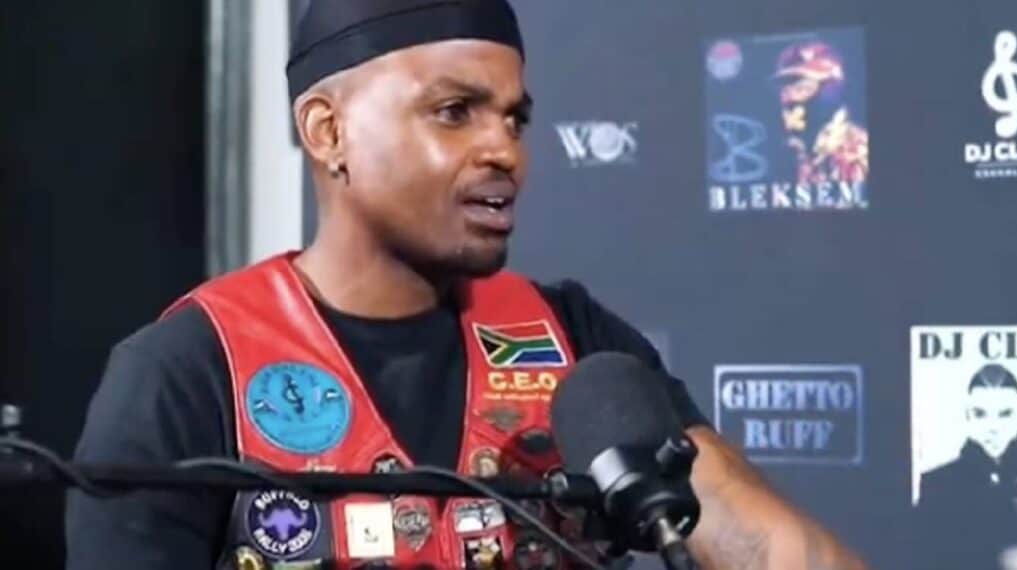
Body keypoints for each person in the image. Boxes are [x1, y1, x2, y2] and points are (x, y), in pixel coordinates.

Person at [65, 1, 868, 569]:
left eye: (515, 119)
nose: (503, 151)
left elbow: (772, 549)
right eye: (455, 111)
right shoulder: (191, 372)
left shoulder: (577, 344)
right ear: (327, 130)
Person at [915, 364, 1017, 569]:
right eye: (980, 414)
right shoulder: (936, 485)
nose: (993, 427)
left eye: (1005, 414)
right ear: (967, 416)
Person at [771, 40, 868, 187]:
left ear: (833, 90)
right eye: (785, 90)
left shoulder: (858, 151)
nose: (790, 98)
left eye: (802, 88)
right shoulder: (789, 151)